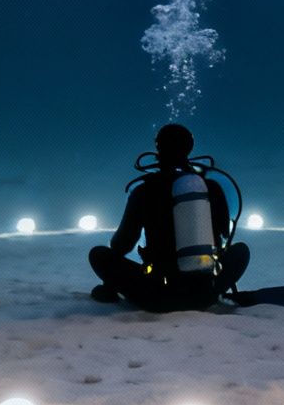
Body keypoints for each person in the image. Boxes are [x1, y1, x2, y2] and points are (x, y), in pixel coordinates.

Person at [89, 123, 250, 312]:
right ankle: (211, 290)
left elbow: (122, 245)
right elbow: (224, 233)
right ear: (189, 148)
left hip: (157, 296)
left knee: (98, 254)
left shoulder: (144, 190)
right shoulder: (211, 187)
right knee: (241, 251)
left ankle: (110, 292)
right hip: (204, 294)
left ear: (158, 147)